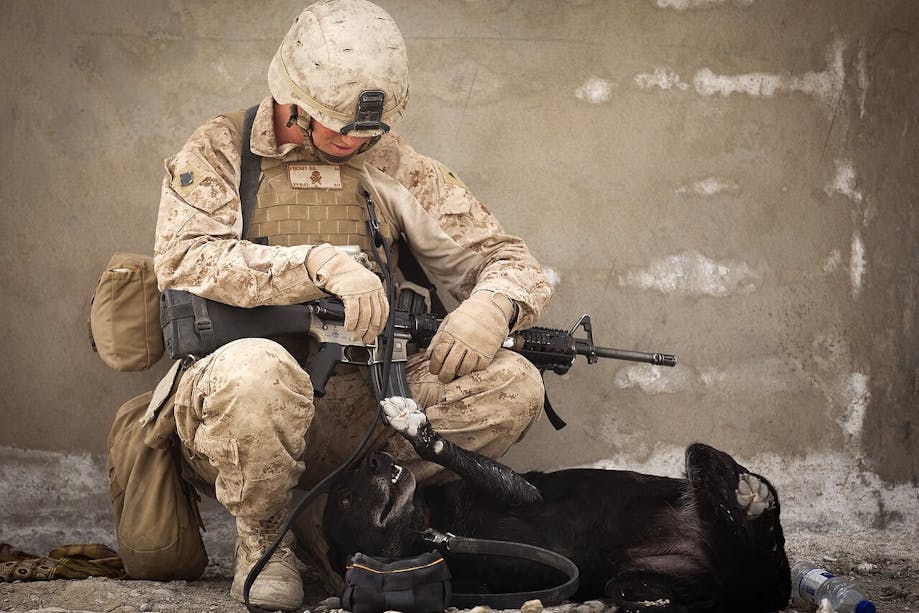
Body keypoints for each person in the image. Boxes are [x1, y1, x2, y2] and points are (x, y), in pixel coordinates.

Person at [151, 0, 553, 609]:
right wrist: (315, 266)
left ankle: (340, 511)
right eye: (343, 128)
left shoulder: (387, 161)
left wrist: (493, 304)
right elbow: (185, 260)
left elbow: (504, 256)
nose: (358, 142)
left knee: (514, 385)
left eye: (371, 130)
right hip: (238, 405)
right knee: (258, 370)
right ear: (291, 101)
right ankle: (265, 539)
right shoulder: (220, 150)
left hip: (361, 404)